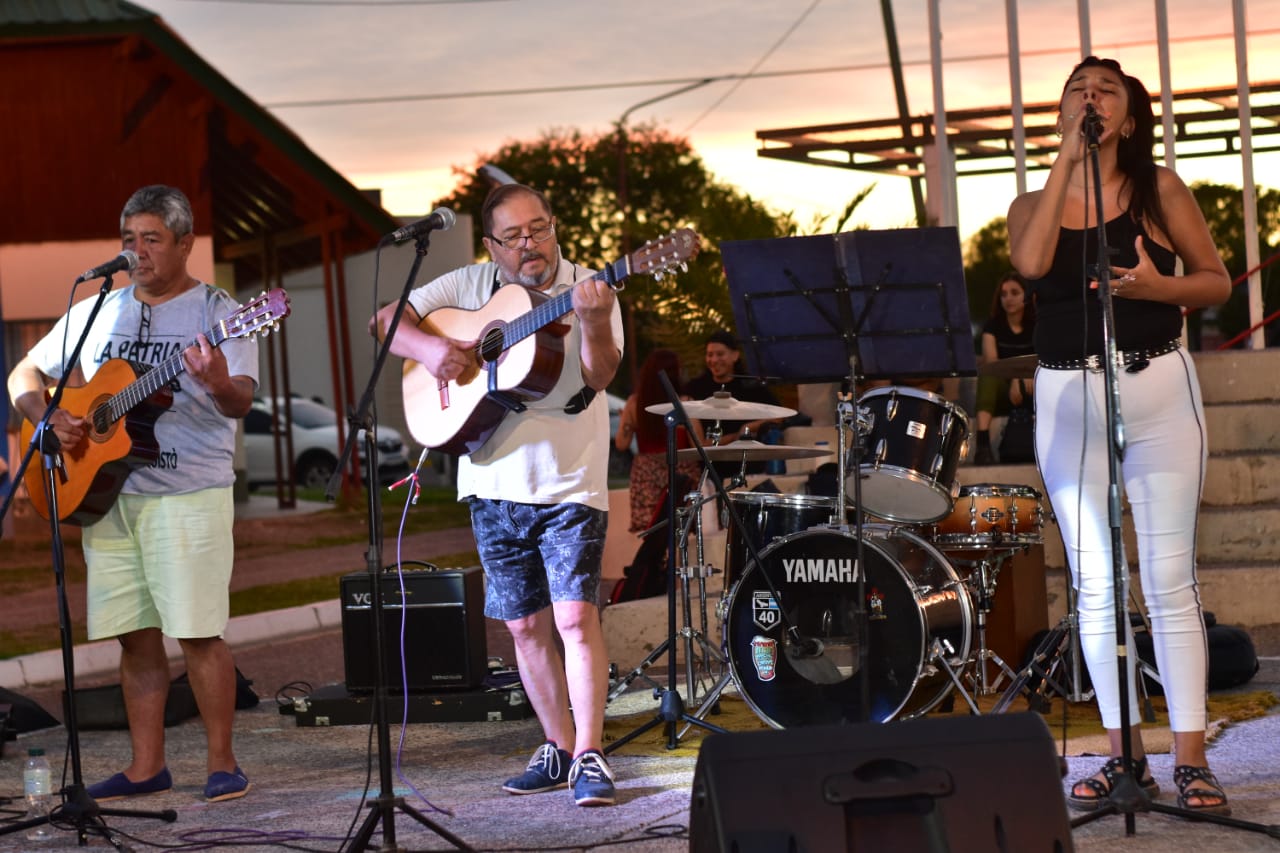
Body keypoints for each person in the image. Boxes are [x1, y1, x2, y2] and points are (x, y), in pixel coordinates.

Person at [1007, 56, 1232, 815]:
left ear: (1129, 117)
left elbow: (1215, 279)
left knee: (1169, 580)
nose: (1091, 96)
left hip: (1158, 386)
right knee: (1097, 584)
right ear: (1061, 113)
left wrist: (1160, 287)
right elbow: (1030, 262)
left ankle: (1191, 759)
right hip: (1069, 395)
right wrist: (1066, 161)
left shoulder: (1160, 188)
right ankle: (1121, 751)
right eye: (1078, 89)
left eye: (1106, 89)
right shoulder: (1029, 203)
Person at [371, 183, 623, 806]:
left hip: (568, 476)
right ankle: (557, 745)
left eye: (539, 229)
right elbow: (385, 321)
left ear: (554, 226)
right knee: (523, 625)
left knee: (573, 617)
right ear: (491, 245)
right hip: (488, 478)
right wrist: (432, 349)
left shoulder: (590, 286)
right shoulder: (469, 284)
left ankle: (590, 753)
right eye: (513, 236)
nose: (529, 244)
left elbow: (600, 373)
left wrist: (593, 321)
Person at [7, 185, 256, 802]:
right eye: (128, 240)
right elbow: (23, 373)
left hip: (188, 492)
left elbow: (240, 401)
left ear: (184, 243)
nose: (137, 252)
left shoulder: (220, 312)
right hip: (108, 495)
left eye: (151, 239)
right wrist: (46, 416)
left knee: (197, 633)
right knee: (135, 636)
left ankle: (222, 764)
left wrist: (217, 381)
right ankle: (147, 768)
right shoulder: (102, 308)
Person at [614, 349, 704, 533]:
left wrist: (627, 421)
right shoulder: (685, 404)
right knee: (682, 531)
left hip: (646, 475)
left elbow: (621, 444)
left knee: (653, 533)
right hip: (680, 472)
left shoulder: (635, 403)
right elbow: (699, 446)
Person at [684, 330, 785, 481]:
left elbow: (780, 416)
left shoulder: (751, 385)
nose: (714, 359)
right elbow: (699, 445)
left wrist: (749, 427)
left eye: (720, 354)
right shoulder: (695, 388)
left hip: (749, 468)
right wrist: (735, 437)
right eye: (710, 354)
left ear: (735, 356)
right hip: (710, 472)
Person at [973, 271, 1037, 464]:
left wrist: (1025, 377)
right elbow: (993, 363)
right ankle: (983, 446)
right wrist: (1016, 378)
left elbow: (1045, 359)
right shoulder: (992, 326)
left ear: (1026, 296)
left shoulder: (1038, 324)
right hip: (1005, 393)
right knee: (988, 375)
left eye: (1014, 293)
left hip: (1033, 387)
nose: (1008, 298)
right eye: (1003, 294)